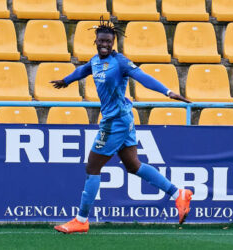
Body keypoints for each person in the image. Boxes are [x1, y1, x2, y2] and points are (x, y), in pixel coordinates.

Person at [50, 18, 193, 234]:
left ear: (113, 41)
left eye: (108, 41)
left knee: (92, 168)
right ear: (95, 41)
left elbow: (143, 77)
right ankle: (178, 194)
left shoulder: (121, 62)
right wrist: (66, 80)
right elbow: (83, 70)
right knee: (133, 165)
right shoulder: (95, 61)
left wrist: (168, 92)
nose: (104, 44)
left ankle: (81, 220)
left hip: (115, 121)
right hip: (123, 119)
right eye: (101, 41)